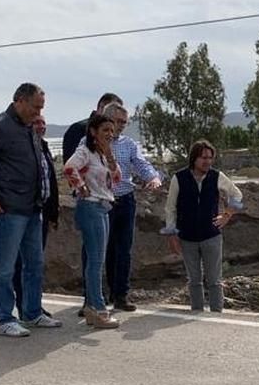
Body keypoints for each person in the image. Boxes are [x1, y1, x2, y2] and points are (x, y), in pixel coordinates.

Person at [0, 82, 63, 337]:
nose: (38, 113)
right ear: (19, 101)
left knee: (34, 264)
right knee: (6, 268)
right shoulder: (0, 127)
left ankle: (32, 312)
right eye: (35, 107)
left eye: (41, 108)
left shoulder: (29, 127)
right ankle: (5, 318)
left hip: (34, 208)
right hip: (10, 209)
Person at [161, 140, 243, 313]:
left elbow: (237, 195)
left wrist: (227, 214)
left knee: (214, 280)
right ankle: (196, 313)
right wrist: (171, 234)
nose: (207, 161)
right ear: (194, 158)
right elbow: (170, 208)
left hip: (211, 235)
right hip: (187, 237)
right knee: (194, 280)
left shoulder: (217, 176)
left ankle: (216, 315)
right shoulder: (179, 178)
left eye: (210, 158)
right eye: (203, 158)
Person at [102, 101, 163, 312]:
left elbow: (141, 163)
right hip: (102, 202)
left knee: (124, 250)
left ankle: (121, 295)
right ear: (107, 119)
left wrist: (153, 177)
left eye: (124, 122)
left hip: (125, 200)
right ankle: (96, 296)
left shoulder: (129, 144)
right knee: (102, 249)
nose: (121, 126)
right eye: (118, 121)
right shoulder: (93, 142)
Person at [63, 113, 122, 329]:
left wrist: (110, 155)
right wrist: (81, 187)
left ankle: (92, 308)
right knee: (96, 261)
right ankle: (98, 308)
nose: (110, 134)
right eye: (105, 130)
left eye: (112, 131)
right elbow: (69, 167)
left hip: (103, 207)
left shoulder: (102, 155)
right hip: (91, 207)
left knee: (98, 259)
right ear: (93, 131)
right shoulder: (85, 151)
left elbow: (116, 178)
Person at [13, 113, 59, 320]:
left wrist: (53, 214)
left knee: (35, 264)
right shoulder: (21, 148)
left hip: (42, 212)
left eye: (43, 123)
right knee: (21, 264)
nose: (40, 126)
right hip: (23, 212)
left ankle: (34, 307)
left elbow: (51, 182)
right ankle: (23, 306)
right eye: (36, 122)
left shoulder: (43, 146)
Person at [62, 92, 123, 165]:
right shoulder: (78, 129)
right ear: (101, 108)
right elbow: (71, 163)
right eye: (114, 111)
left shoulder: (115, 132)